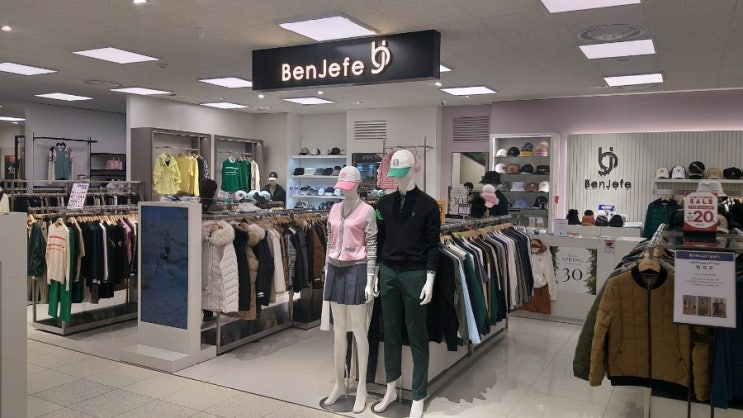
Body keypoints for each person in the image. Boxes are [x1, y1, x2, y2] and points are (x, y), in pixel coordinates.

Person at [373, 149, 441, 418]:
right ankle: (391, 387)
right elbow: (380, 239)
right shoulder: (383, 204)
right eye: (395, 173)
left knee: (417, 334)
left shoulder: (428, 205)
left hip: (415, 274)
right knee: (390, 331)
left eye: (402, 172)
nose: (398, 178)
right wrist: (376, 272)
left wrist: (430, 278)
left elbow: (433, 245)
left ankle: (419, 394)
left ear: (414, 169)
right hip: (388, 271)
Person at [321, 166, 377, 413]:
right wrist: (326, 268)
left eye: (348, 186)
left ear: (358, 184)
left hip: (357, 269)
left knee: (359, 331)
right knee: (338, 331)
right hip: (335, 269)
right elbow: (329, 240)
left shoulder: (368, 211)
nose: (344, 191)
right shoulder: (334, 209)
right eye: (341, 187)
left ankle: (361, 386)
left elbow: (372, 246)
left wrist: (370, 279)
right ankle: (339, 384)